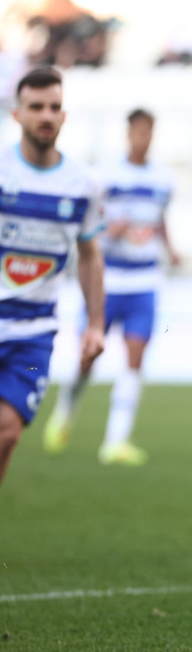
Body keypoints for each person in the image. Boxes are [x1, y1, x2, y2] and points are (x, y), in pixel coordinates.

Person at [43, 108, 177, 465]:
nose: (143, 138)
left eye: (149, 132)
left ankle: (116, 441)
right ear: (128, 133)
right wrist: (110, 230)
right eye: (138, 131)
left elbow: (160, 218)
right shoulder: (105, 173)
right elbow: (91, 221)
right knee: (89, 356)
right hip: (108, 279)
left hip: (144, 280)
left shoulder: (164, 178)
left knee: (135, 359)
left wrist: (171, 247)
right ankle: (65, 412)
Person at [0, 67, 104, 487]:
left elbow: (90, 255)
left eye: (54, 107)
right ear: (17, 114)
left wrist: (95, 323)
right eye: (36, 107)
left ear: (64, 116)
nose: (46, 115)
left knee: (7, 433)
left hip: (36, 329)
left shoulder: (83, 184)